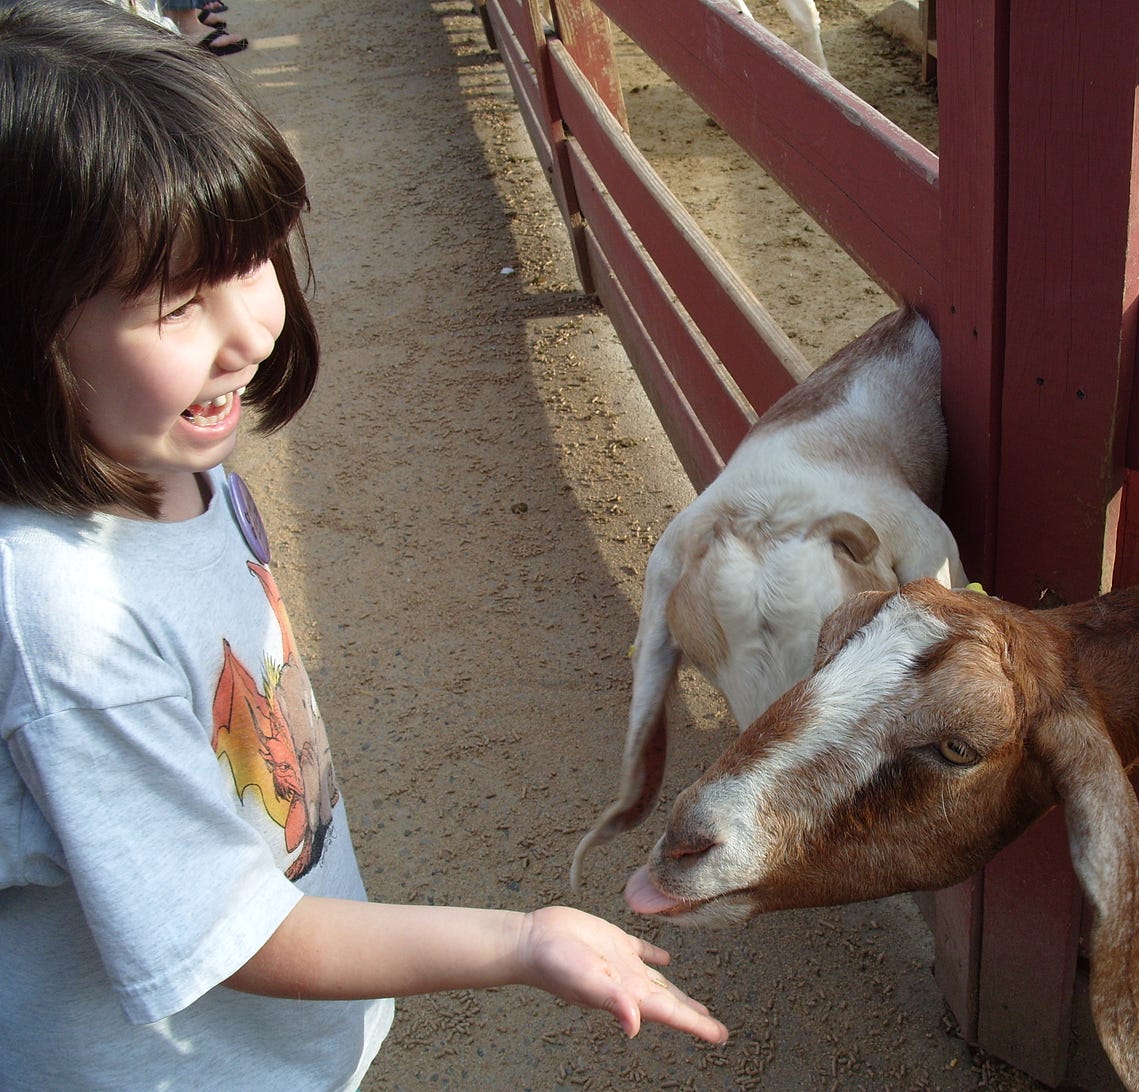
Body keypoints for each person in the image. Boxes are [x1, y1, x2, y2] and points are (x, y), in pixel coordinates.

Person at [0, 0, 728, 1086]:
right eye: (177, 302)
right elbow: (232, 930)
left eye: (250, 265)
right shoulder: (63, 622)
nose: (248, 330)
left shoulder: (177, 469)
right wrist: (520, 941)